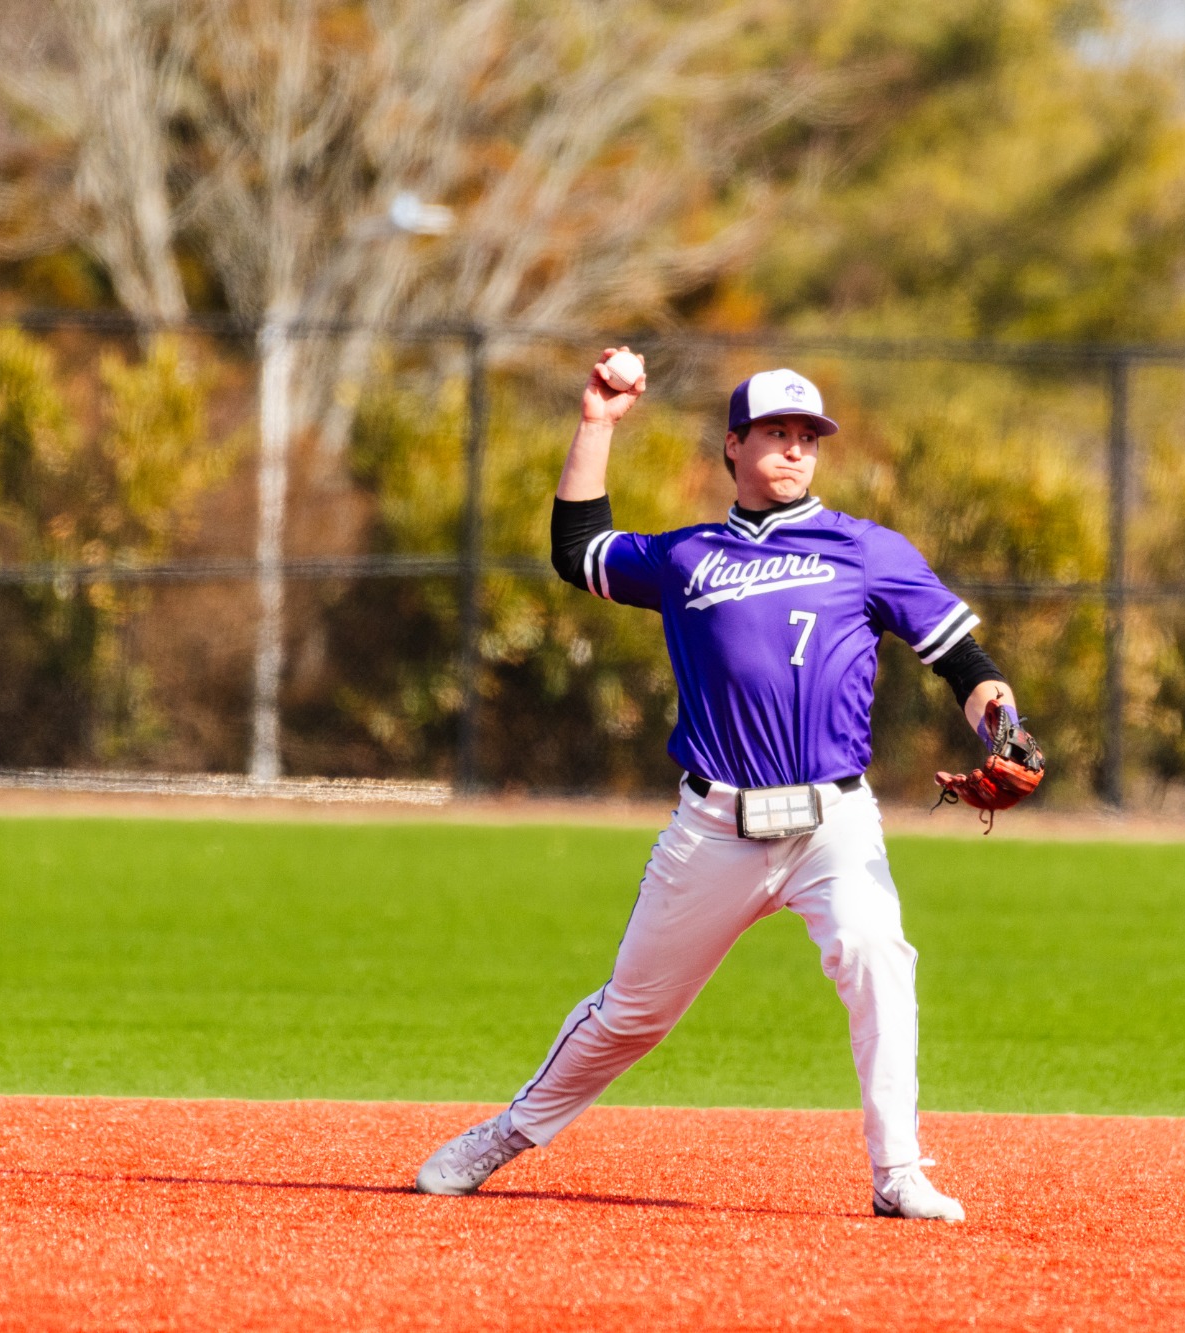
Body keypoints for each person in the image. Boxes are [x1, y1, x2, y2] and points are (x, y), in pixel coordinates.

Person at [414, 349, 1018, 1222]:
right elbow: (578, 549)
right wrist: (597, 422)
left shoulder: (866, 550)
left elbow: (963, 661)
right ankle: (508, 1131)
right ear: (732, 446)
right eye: (776, 432)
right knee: (632, 1015)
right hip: (715, 826)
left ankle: (898, 1171)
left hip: (833, 823)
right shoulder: (688, 555)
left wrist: (1007, 729)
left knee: (877, 954)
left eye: (808, 435)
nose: (795, 449)